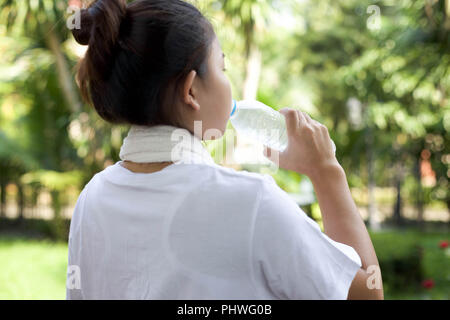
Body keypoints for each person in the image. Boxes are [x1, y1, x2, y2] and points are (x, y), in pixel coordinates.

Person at [66, 0, 383, 300]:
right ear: (191, 90)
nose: (228, 83)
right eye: (223, 67)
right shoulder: (252, 201)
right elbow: (366, 293)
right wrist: (326, 172)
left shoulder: (92, 199)